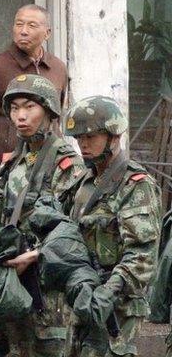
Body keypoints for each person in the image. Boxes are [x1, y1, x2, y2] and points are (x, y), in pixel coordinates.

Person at [0, 74, 86, 356]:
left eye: (28, 107)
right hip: (0, 280)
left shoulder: (68, 166)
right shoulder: (11, 161)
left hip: (41, 289)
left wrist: (37, 254)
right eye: (14, 109)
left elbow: (76, 231)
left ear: (48, 110)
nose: (20, 116)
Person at [62, 96, 161, 357]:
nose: (83, 144)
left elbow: (142, 255)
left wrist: (108, 291)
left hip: (118, 305)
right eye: (79, 137)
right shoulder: (83, 181)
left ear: (114, 136)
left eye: (91, 136)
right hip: (83, 297)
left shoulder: (135, 185)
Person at [0, 4, 68, 176]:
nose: (23, 31)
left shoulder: (58, 68)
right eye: (19, 24)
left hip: (51, 166)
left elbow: (56, 115)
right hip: (8, 167)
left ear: (47, 33)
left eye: (32, 25)